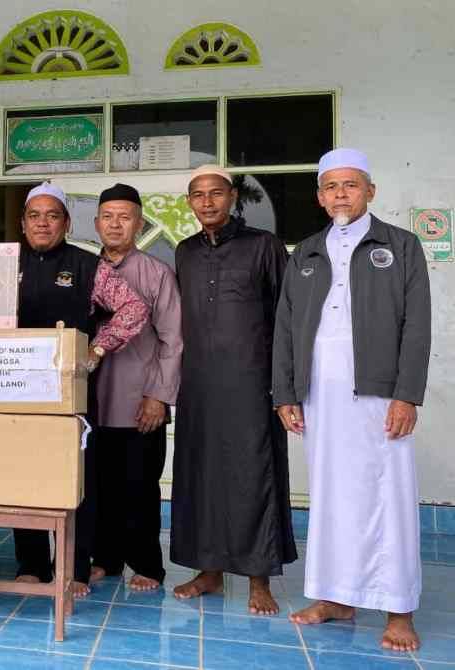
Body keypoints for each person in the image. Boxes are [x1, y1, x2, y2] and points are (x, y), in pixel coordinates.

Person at [273, 149, 431, 651]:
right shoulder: (307, 252)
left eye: (351, 185)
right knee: (330, 496)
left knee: (389, 499)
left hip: (381, 393)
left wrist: (407, 395)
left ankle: (398, 608)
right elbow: (284, 328)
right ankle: (335, 596)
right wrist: (287, 392)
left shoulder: (400, 246)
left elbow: (417, 325)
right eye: (331, 187)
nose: (341, 194)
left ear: (370, 191)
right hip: (320, 393)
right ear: (320, 197)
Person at [170, 165, 297, 615]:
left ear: (232, 198)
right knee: (200, 474)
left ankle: (258, 579)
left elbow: (288, 319)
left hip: (251, 381)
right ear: (190, 202)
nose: (207, 202)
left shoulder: (263, 246)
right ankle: (209, 571)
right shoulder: (183, 252)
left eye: (216, 193)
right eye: (198, 195)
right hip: (199, 382)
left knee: (252, 475)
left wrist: (285, 386)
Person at [15, 182, 149, 598]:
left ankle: (73, 568)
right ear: (22, 224)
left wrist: (97, 348)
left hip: (69, 394)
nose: (42, 222)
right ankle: (32, 565)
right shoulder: (3, 262)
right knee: (23, 480)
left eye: (52, 215)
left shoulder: (88, 266)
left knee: (75, 481)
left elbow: (134, 308)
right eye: (34, 215)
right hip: (10, 391)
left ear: (67, 223)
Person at [87, 184, 182, 593]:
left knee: (140, 489)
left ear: (139, 223)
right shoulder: (83, 271)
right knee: (98, 487)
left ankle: (146, 564)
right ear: (96, 224)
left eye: (124, 217)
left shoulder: (156, 273)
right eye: (108, 216)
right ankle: (104, 559)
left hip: (139, 400)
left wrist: (159, 396)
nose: (115, 224)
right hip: (91, 402)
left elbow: (174, 339)